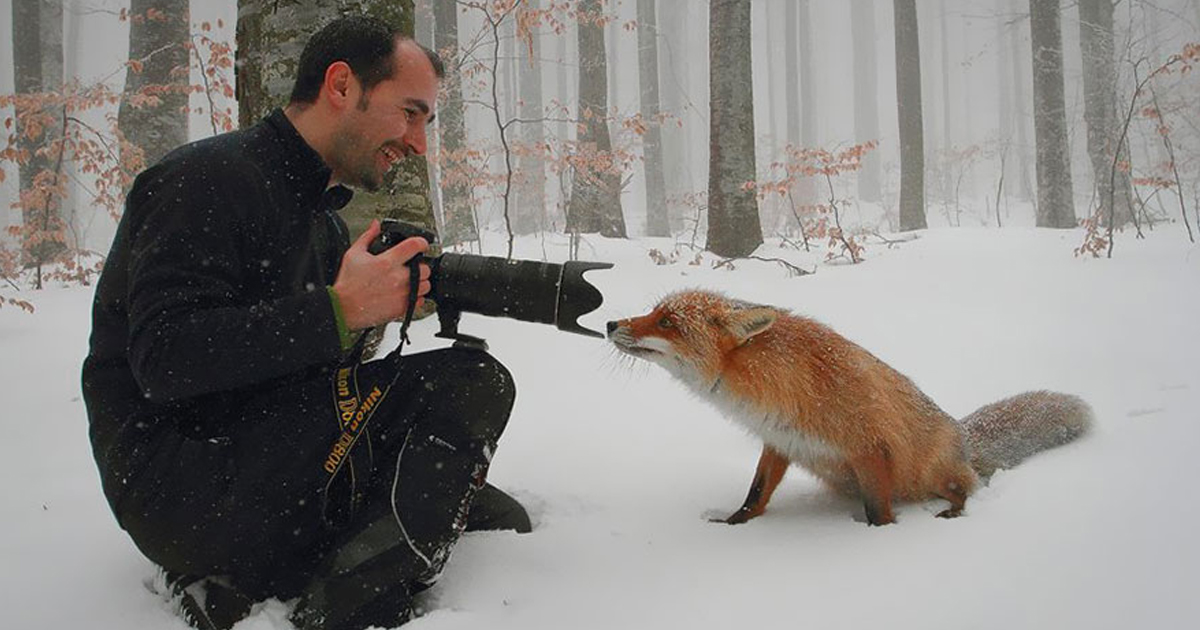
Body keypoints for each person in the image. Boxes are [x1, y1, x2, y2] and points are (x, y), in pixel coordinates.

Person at [81, 16, 530, 630]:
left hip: (255, 452)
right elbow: (165, 360)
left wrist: (364, 318)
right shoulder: (202, 180)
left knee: (476, 493)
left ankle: (268, 565)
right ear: (342, 85)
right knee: (472, 382)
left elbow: (294, 367)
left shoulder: (323, 221)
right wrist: (340, 311)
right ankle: (343, 607)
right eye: (410, 113)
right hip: (182, 486)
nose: (419, 142)